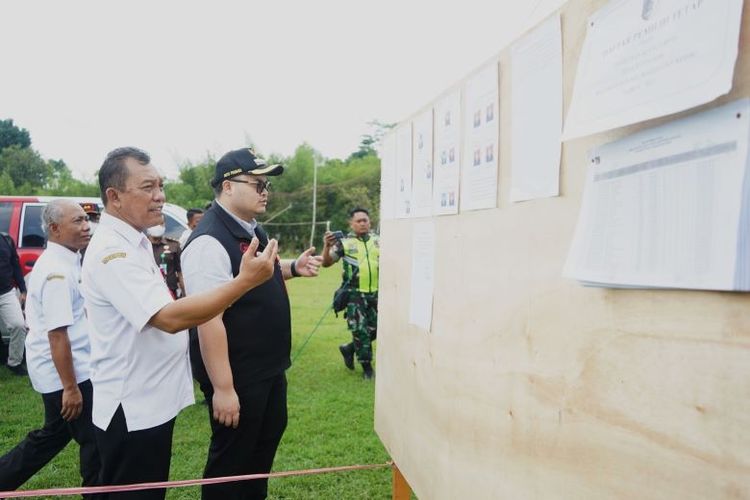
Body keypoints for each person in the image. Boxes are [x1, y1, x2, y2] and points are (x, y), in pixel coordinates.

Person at [81, 147, 278, 499]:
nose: (160, 196)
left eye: (160, 185)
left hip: (151, 402)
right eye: (147, 188)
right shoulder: (114, 250)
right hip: (132, 408)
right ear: (114, 196)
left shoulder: (135, 241)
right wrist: (243, 282)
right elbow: (168, 318)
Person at [181, 147, 323, 500]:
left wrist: (291, 268)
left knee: (257, 460)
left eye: (267, 186)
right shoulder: (210, 241)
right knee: (231, 469)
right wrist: (224, 388)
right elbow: (208, 317)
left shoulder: (249, 228)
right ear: (228, 186)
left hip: (266, 369)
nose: (265, 192)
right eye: (257, 183)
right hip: (239, 375)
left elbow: (249, 280)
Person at [0, 200, 101, 494]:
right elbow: (57, 335)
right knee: (93, 440)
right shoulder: (57, 271)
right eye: (78, 221)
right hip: (67, 374)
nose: (87, 227)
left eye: (87, 220)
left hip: (68, 368)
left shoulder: (68, 260)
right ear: (55, 229)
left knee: (52, 437)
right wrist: (70, 388)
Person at [322, 207, 380, 380]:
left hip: (376, 294)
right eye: (359, 221)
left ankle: (349, 349)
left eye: (365, 220)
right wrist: (326, 246)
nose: (363, 223)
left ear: (370, 222)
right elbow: (327, 262)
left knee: (379, 329)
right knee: (360, 331)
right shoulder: (344, 243)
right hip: (355, 295)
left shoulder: (379, 241)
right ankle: (367, 368)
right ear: (351, 224)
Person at [0, 226, 27, 376]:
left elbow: (15, 266)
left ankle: (14, 362)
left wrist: (23, 289)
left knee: (19, 325)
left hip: (6, 292)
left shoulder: (6, 240)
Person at [147, 224, 184, 298]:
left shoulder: (174, 245)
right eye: (155, 223)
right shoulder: (142, 245)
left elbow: (181, 272)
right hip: (149, 292)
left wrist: (185, 293)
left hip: (170, 292)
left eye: (161, 224)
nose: (157, 226)